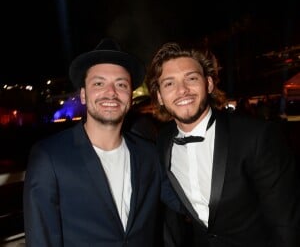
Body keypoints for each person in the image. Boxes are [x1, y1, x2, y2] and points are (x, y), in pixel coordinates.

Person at [23, 38, 181, 247]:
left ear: (130, 96)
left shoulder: (150, 154)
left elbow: (186, 203)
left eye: (121, 84)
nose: (111, 92)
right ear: (83, 95)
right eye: (99, 83)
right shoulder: (49, 157)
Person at [146, 41, 300, 247]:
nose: (182, 90)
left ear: (208, 84)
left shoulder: (256, 136)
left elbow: (286, 223)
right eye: (169, 83)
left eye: (191, 78)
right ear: (160, 97)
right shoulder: (163, 142)